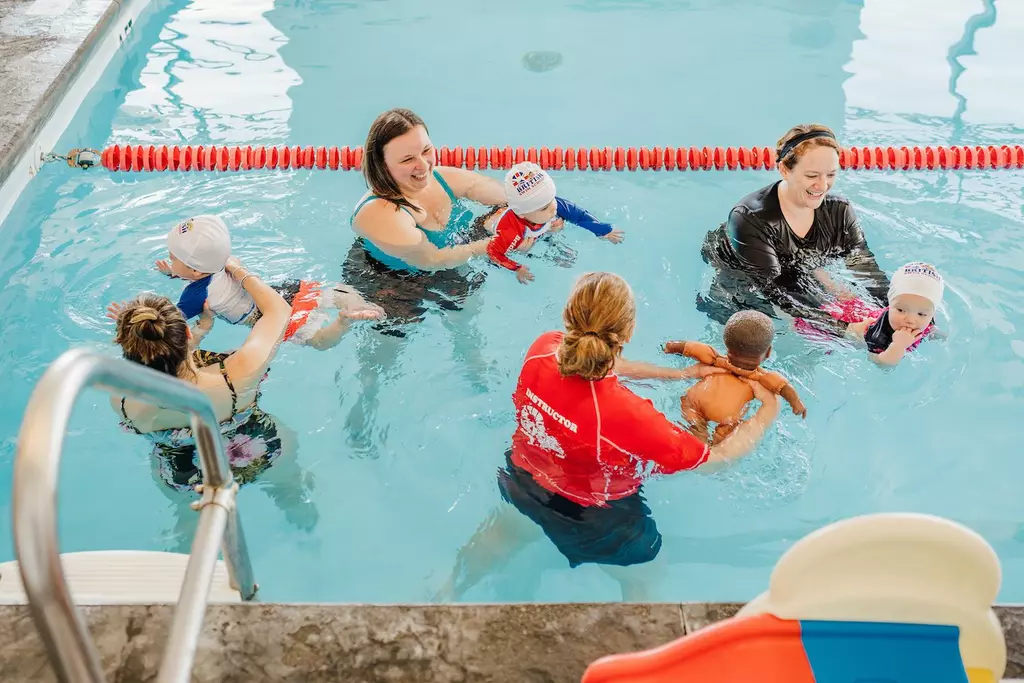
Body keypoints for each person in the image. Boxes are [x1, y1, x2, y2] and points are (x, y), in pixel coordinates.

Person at [438, 272, 781, 602]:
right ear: (629, 331)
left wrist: (678, 375)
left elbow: (597, 363)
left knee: (501, 536)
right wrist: (767, 411)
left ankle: (447, 589)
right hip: (591, 515)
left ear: (569, 317)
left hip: (522, 478)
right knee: (648, 579)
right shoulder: (627, 415)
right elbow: (716, 460)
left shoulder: (544, 347)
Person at [108, 257, 317, 529]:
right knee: (288, 486)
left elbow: (164, 370)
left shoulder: (122, 398)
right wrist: (235, 268)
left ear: (127, 349)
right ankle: (298, 511)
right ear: (185, 332)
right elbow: (278, 311)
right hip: (260, 449)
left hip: (187, 477)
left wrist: (195, 334)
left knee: (190, 522)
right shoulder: (236, 375)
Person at [697, 123, 890, 328]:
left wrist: (896, 309)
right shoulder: (750, 218)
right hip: (741, 275)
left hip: (793, 267)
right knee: (751, 331)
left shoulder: (839, 210)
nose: (822, 185)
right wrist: (845, 330)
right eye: (811, 175)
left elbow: (864, 267)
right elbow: (774, 289)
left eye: (831, 174)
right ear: (784, 170)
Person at [157, 214, 384, 351]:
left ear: (195, 270)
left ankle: (343, 321)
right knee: (331, 294)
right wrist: (176, 272)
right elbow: (207, 274)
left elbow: (167, 325)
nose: (170, 260)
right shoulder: (225, 260)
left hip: (270, 317)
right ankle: (356, 301)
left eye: (173, 258)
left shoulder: (193, 297)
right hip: (283, 291)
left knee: (320, 341)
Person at [664, 310, 807, 445]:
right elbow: (783, 387)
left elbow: (690, 347)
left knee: (695, 424)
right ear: (768, 352)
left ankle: (698, 435)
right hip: (727, 415)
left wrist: (671, 347)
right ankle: (710, 448)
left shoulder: (715, 359)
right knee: (721, 439)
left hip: (696, 399)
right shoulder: (761, 378)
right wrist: (796, 402)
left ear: (726, 344)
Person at [487, 162, 625, 284]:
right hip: (504, 236)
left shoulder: (551, 205)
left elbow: (579, 216)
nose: (554, 208)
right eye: (544, 208)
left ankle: (552, 250)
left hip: (536, 231)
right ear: (522, 213)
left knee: (553, 234)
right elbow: (494, 253)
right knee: (525, 249)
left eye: (551, 199)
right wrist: (517, 268)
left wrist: (601, 230)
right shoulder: (510, 230)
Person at [843, 261, 944, 366]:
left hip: (868, 308)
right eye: (900, 310)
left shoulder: (928, 317)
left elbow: (930, 328)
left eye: (921, 314)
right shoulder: (879, 333)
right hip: (849, 318)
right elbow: (879, 362)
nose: (910, 320)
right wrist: (898, 346)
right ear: (890, 304)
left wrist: (934, 334)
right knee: (842, 297)